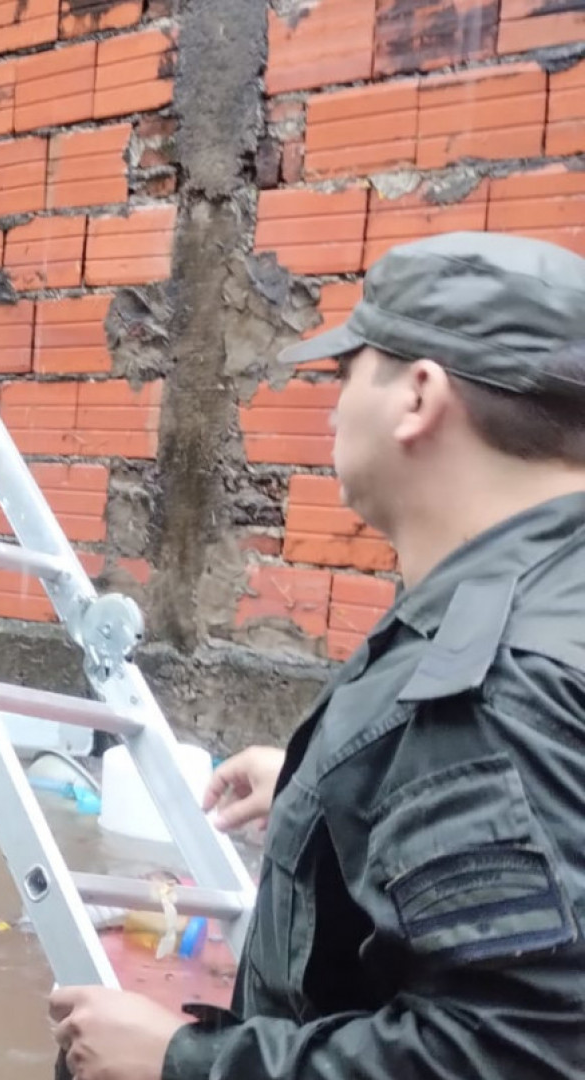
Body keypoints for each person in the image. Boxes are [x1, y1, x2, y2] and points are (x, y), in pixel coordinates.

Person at [47, 232, 585, 1080]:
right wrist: (327, 789)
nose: (332, 409)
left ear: (418, 395)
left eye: (346, 374)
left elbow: (512, 1053)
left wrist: (181, 1062)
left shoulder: (494, 682)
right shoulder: (543, 592)